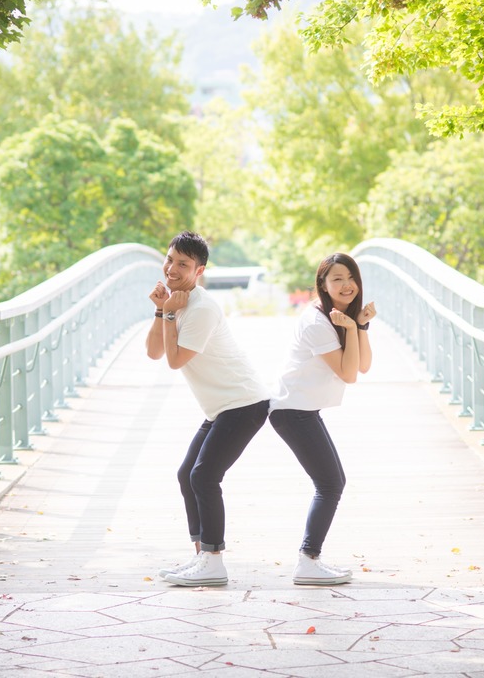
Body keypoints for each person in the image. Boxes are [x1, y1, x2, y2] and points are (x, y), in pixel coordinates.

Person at [146, 231, 271, 587]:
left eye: (182, 264)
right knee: (187, 475)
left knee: (204, 476)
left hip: (244, 403)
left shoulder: (201, 308)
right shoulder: (174, 301)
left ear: (199, 271)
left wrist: (170, 315)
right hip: (222, 407)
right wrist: (160, 310)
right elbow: (154, 351)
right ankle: (203, 555)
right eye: (169, 259)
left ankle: (214, 562)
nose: (171, 268)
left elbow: (174, 360)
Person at [269, 252, 376, 585]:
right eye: (337, 279)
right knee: (330, 484)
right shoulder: (317, 322)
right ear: (323, 285)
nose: (346, 285)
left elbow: (363, 364)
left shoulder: (340, 317)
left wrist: (360, 327)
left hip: (302, 409)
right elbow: (349, 375)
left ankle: (310, 558)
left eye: (350, 277)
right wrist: (353, 326)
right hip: (291, 411)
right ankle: (307, 561)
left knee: (332, 483)